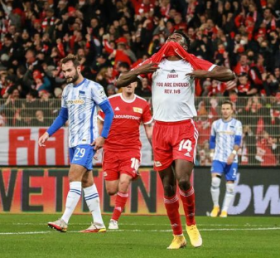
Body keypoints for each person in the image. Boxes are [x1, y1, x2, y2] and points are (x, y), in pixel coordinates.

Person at [115, 30, 236, 249]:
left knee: (182, 179)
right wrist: (142, 70)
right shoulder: (155, 63)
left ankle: (191, 224)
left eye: (178, 39)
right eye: (170, 38)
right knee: (168, 187)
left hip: (184, 127)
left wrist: (201, 74)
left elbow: (227, 73)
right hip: (160, 128)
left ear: (185, 47)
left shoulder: (191, 63)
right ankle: (177, 236)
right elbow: (120, 81)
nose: (173, 41)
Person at [38, 54, 114, 233]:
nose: (66, 74)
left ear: (79, 68)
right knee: (87, 181)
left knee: (74, 176)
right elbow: (63, 116)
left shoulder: (93, 87)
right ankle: (98, 223)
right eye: (64, 71)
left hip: (87, 141)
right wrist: (48, 133)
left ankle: (64, 220)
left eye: (69, 70)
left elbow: (109, 112)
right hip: (72, 141)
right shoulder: (66, 91)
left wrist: (103, 136)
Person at [97, 78, 153, 230]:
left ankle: (114, 220)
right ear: (121, 84)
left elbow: (148, 128)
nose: (129, 84)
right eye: (126, 81)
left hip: (131, 149)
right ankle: (130, 174)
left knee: (124, 181)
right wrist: (98, 141)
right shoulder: (110, 101)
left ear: (136, 84)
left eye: (132, 81)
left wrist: (156, 147)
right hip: (111, 150)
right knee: (111, 190)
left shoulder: (143, 104)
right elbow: (100, 122)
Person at [209, 100, 242, 218]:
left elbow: (238, 141)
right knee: (215, 181)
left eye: (227, 108)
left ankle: (224, 210)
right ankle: (216, 207)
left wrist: (233, 154)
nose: (225, 111)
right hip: (218, 158)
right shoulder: (216, 124)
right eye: (223, 109)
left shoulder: (237, 124)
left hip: (231, 159)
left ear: (232, 110)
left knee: (230, 186)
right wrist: (212, 154)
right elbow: (212, 140)